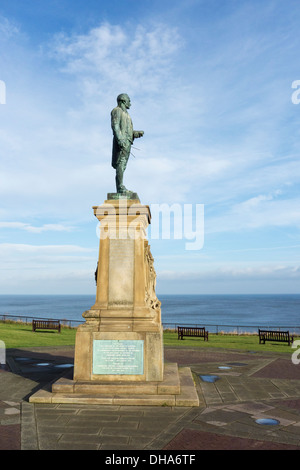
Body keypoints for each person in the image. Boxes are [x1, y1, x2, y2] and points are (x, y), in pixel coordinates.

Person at [111, 93, 144, 193]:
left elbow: (126, 129)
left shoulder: (126, 114)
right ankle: (120, 187)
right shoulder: (116, 111)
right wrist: (120, 139)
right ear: (123, 101)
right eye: (129, 100)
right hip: (122, 142)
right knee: (121, 163)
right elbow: (115, 126)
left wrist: (135, 133)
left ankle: (120, 186)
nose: (130, 103)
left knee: (123, 165)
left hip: (127, 142)